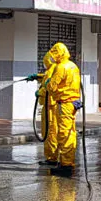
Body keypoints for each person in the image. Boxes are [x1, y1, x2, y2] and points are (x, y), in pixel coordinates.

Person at [44, 42, 82, 175]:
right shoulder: (73, 66)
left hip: (64, 103)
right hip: (74, 102)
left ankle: (66, 165)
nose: (53, 57)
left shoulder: (61, 67)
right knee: (70, 132)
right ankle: (67, 161)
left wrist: (46, 84)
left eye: (54, 54)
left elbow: (52, 86)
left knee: (64, 133)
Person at [26, 51, 59, 166]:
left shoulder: (54, 69)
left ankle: (52, 158)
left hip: (50, 106)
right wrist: (37, 77)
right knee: (48, 132)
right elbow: (46, 78)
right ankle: (51, 157)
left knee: (50, 133)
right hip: (48, 106)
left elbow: (50, 86)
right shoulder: (52, 69)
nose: (44, 63)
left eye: (45, 61)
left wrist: (40, 92)